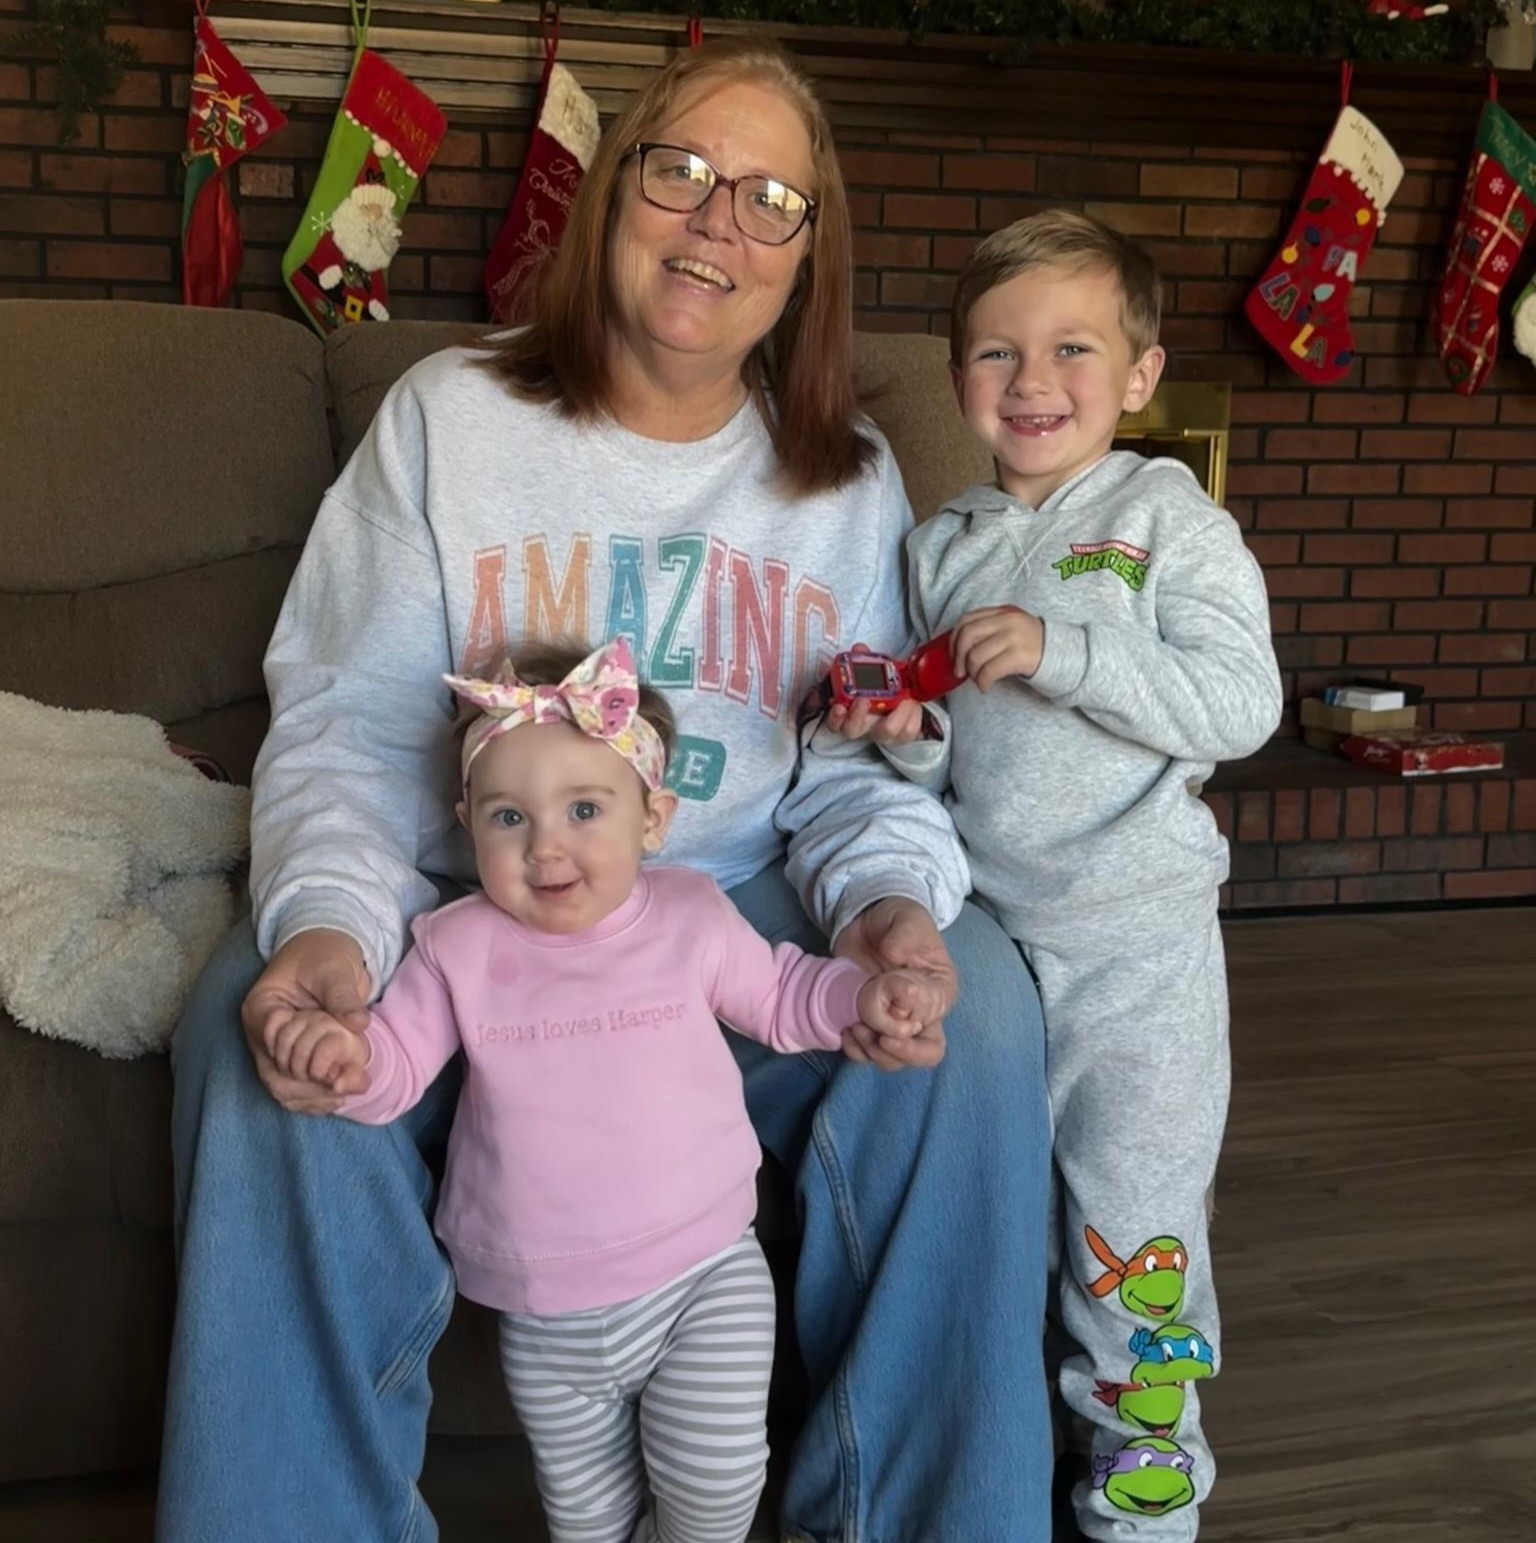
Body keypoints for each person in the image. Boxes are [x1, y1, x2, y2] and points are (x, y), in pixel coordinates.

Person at [157, 37, 1055, 1543]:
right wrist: (323, 931)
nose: (719, 223)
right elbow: (350, 729)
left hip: (731, 919)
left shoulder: (846, 480)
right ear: (612, 191)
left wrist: (899, 912)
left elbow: (863, 769)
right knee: (255, 1036)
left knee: (980, 1014)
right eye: (685, 172)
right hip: (473, 908)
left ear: (806, 262)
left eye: (773, 200)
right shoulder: (451, 417)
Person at [263, 636, 948, 1543]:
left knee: (713, 1491)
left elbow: (784, 996)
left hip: (706, 1269)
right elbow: (392, 1067)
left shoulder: (691, 913)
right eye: (509, 818)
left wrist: (865, 994)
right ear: (466, 819)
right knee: (586, 1517)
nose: (547, 845)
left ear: (653, 818)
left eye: (585, 808)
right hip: (546, 1308)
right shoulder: (454, 945)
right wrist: (339, 1059)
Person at [824, 210, 1283, 1542]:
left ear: (1139, 376)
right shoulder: (939, 543)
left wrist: (1064, 647)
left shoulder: (1164, 517)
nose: (1031, 382)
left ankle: (1145, 1498)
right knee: (1001, 1219)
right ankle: (1001, 1460)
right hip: (992, 938)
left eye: (1071, 349)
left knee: (1134, 1241)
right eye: (994, 352)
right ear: (955, 372)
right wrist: (903, 740)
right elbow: (943, 754)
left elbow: (1241, 701)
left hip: (1137, 952)